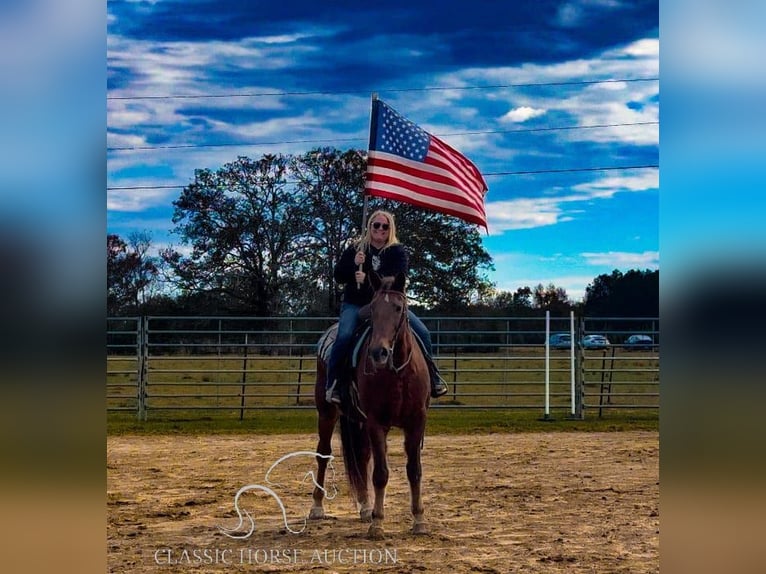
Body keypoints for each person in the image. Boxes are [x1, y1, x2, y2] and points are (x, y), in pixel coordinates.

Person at [324, 210, 449, 404]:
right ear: (369, 226)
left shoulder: (397, 251)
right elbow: (338, 275)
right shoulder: (356, 249)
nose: (380, 229)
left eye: (385, 226)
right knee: (345, 336)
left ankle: (433, 378)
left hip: (388, 307)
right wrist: (353, 267)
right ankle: (335, 384)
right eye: (376, 225)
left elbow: (397, 278)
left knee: (423, 333)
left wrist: (367, 279)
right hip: (356, 304)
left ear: (390, 229)